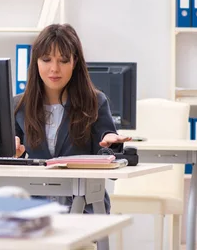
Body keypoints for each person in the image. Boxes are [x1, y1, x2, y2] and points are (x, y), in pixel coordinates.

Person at [12, 23, 131, 214]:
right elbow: (8, 153)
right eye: (46, 59)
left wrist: (110, 145)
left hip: (83, 205)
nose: (54, 69)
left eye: (63, 60)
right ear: (36, 62)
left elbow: (107, 152)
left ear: (75, 63)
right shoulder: (19, 105)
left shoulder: (95, 102)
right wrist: (10, 149)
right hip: (35, 206)